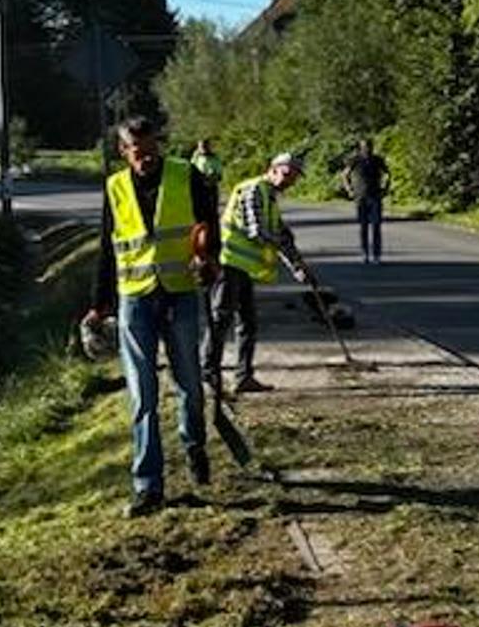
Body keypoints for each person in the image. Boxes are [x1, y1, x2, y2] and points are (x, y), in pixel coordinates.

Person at [85, 117, 221, 516]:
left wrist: (208, 257)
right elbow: (107, 247)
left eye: (150, 150)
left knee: (189, 382)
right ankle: (148, 486)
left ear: (158, 145)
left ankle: (193, 444)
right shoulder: (115, 187)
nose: (145, 158)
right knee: (142, 394)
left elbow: (209, 225)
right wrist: (99, 303)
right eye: (137, 152)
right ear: (123, 151)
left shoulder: (186, 175)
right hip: (135, 300)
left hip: (179, 293)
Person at [207, 153, 313, 394]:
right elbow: (257, 231)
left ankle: (243, 377)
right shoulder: (253, 189)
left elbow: (280, 236)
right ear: (273, 169)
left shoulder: (270, 197)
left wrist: (297, 266)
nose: (290, 181)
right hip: (229, 263)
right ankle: (208, 374)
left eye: (294, 177)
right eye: (287, 174)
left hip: (244, 268)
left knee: (248, 323)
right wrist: (282, 241)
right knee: (220, 319)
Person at [339, 139, 391, 264]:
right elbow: (344, 175)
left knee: (376, 226)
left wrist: (386, 188)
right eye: (364, 147)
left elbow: (387, 174)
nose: (367, 149)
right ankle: (365, 253)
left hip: (375, 196)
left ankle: (377, 255)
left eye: (369, 147)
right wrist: (349, 190)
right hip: (360, 197)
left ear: (372, 147)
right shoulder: (355, 160)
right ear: (360, 148)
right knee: (364, 226)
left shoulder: (377, 160)